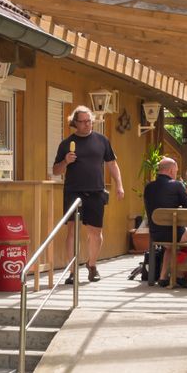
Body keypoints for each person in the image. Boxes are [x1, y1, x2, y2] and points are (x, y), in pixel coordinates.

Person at [52, 105, 124, 284]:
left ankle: (92, 265)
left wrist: (119, 185)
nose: (87, 124)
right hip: (73, 191)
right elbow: (55, 170)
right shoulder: (66, 143)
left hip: (96, 191)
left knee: (95, 232)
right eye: (83, 122)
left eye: (89, 121)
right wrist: (66, 161)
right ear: (74, 123)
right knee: (71, 231)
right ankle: (71, 271)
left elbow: (112, 164)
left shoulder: (102, 141)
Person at [142, 156, 187, 287]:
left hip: (155, 233)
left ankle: (163, 277)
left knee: (170, 246)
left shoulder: (148, 187)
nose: (176, 174)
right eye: (176, 171)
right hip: (175, 232)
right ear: (171, 171)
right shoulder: (176, 185)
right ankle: (179, 273)